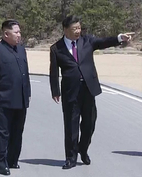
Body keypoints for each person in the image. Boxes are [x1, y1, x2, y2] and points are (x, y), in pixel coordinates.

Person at [49, 15, 133, 169]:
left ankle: (83, 148)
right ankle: (70, 157)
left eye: (79, 28)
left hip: (88, 89)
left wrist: (119, 38)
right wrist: (55, 90)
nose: (77, 31)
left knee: (89, 123)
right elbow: (53, 71)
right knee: (71, 125)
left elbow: (103, 42)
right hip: (70, 91)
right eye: (74, 29)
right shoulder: (56, 48)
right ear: (65, 30)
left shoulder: (87, 41)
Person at [0, 19, 31, 176]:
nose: (19, 35)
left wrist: (28, 93)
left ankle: (12, 159)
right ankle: (1, 162)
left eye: (19, 31)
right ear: (6, 34)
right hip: (2, 98)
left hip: (21, 98)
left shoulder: (21, 49)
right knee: (3, 132)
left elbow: (25, 73)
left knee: (17, 131)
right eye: (16, 32)